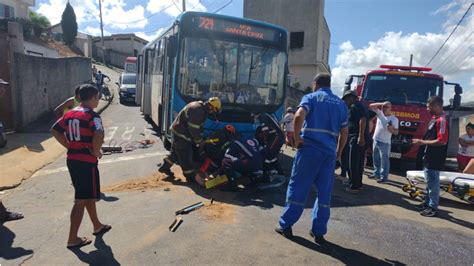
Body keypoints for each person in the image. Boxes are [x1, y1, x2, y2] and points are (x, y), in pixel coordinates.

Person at [275, 74, 348, 245]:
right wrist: (338, 153)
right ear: (329, 85)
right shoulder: (341, 104)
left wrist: (297, 139)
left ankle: (286, 225)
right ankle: (319, 233)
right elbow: (344, 132)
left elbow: (299, 116)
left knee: (298, 187)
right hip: (329, 155)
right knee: (324, 193)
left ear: (315, 84)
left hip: (309, 151)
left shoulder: (311, 97)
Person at [51, 84, 111, 249]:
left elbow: (55, 130)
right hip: (86, 163)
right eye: (97, 97)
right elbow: (98, 133)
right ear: (92, 97)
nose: (98, 100)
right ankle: (73, 238)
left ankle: (97, 225)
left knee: (88, 196)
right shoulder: (93, 116)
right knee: (80, 200)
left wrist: (70, 145)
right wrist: (96, 151)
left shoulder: (69, 114)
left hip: (73, 160)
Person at [158, 97, 222, 185]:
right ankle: (190, 176)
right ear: (211, 107)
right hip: (182, 135)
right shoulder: (199, 111)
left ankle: (165, 167)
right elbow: (194, 129)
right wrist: (199, 141)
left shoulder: (199, 107)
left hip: (178, 132)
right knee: (186, 156)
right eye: (214, 110)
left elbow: (197, 127)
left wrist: (201, 137)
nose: (213, 113)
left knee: (176, 152)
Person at [412, 96, 449, 217]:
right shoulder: (434, 119)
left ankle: (433, 207)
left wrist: (422, 143)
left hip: (435, 158)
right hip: (428, 156)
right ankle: (427, 203)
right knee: (429, 182)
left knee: (433, 183)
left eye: (429, 106)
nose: (427, 108)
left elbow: (442, 141)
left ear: (437, 106)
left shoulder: (442, 121)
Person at [342, 90, 369, 193]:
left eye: (345, 100)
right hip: (362, 137)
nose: (345, 103)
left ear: (350, 98)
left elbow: (363, 119)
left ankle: (353, 186)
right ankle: (358, 184)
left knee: (353, 163)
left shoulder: (355, 106)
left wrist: (360, 136)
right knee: (359, 163)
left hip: (356, 138)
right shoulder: (362, 106)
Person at [369, 101, 399, 183]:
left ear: (390, 108)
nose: (385, 108)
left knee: (384, 161)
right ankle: (376, 174)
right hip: (376, 139)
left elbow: (396, 132)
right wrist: (381, 103)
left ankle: (384, 178)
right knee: (376, 159)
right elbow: (371, 106)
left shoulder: (394, 119)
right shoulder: (380, 114)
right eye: (384, 107)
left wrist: (391, 129)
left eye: (387, 107)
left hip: (385, 142)